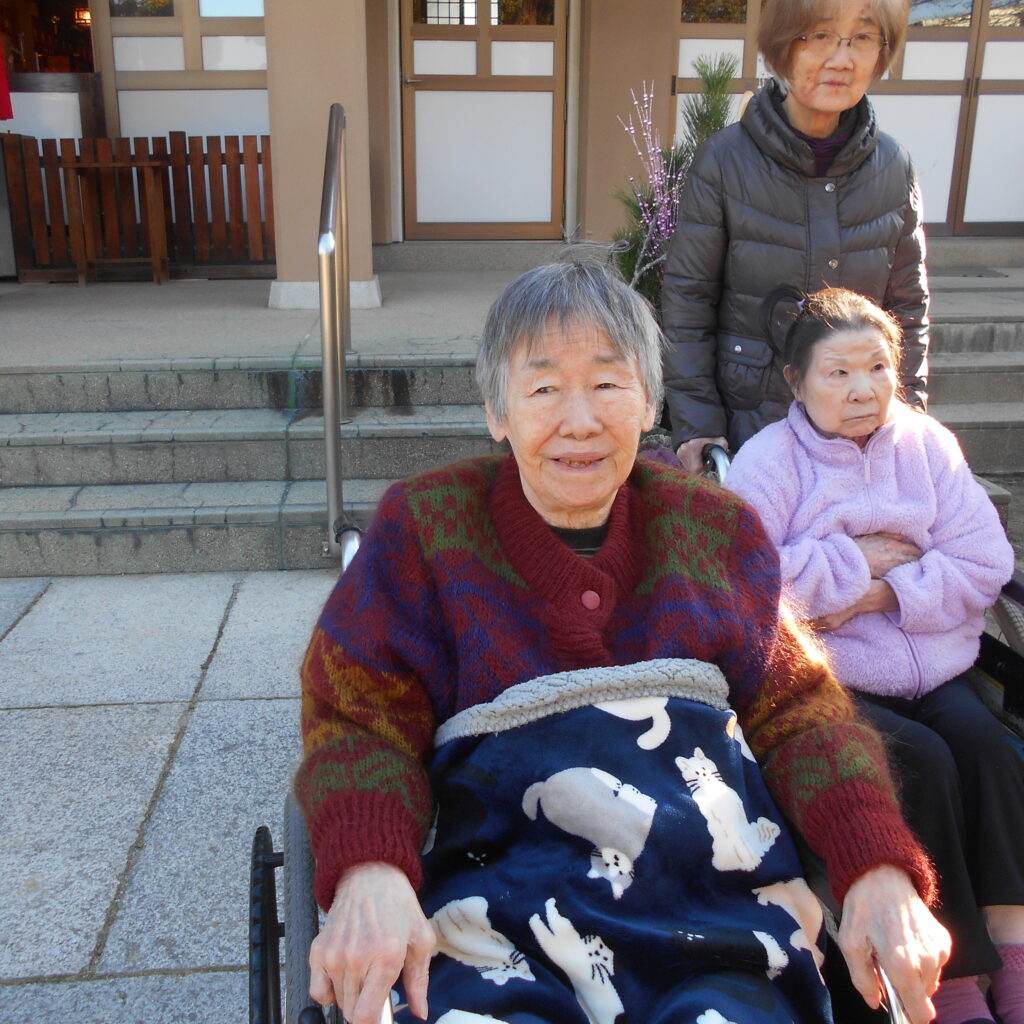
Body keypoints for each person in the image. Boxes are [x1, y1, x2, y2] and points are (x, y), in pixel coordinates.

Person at [295, 263, 948, 1024]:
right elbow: (358, 721)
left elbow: (802, 714)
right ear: (496, 412)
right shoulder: (423, 530)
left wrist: (875, 867)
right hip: (496, 930)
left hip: (720, 925)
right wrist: (370, 868)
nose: (579, 421)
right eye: (544, 388)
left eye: (608, 384)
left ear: (648, 403)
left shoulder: (716, 529)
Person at [725, 285, 1024, 1024]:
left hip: (937, 661)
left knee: (986, 746)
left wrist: (881, 595)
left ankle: (1012, 941)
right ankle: (950, 973)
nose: (864, 389)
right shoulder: (769, 463)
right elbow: (751, 582)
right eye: (839, 373)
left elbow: (985, 560)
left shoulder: (927, 445)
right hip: (836, 674)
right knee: (920, 760)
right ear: (796, 383)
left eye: (878, 368)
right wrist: (856, 563)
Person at [661, 0, 929, 472]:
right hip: (750, 426)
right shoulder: (724, 161)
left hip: (860, 435)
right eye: (820, 36)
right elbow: (688, 301)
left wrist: (909, 416)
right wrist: (698, 423)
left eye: (862, 38)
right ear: (782, 47)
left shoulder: (894, 166)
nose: (841, 59)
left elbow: (908, 309)